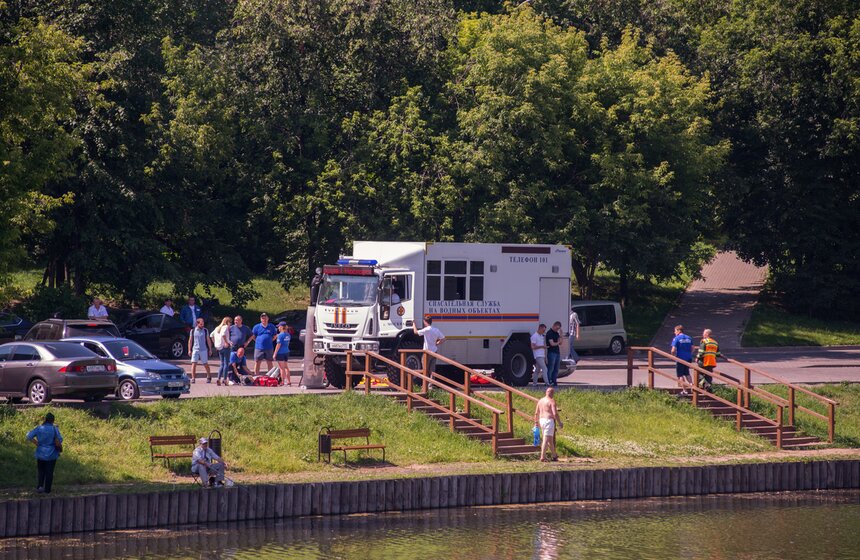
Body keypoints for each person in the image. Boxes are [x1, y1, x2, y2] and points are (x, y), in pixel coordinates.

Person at [26, 412, 63, 494]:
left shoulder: (39, 428)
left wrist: (36, 443)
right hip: (52, 454)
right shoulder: (54, 428)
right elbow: (60, 440)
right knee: (49, 472)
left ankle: (40, 487)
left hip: (40, 453)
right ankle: (47, 490)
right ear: (53, 420)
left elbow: (28, 436)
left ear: (45, 420)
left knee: (41, 471)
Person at [534, 387, 563, 462]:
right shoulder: (551, 401)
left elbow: (536, 413)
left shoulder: (540, 400)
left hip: (541, 420)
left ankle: (554, 455)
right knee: (546, 439)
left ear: (546, 392)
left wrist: (536, 422)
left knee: (550, 439)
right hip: (548, 420)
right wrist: (560, 423)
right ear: (552, 393)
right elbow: (555, 413)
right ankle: (542, 457)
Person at [670, 324, 694, 394]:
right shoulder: (689, 338)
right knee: (687, 372)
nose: (674, 333)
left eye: (675, 331)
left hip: (680, 358)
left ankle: (685, 390)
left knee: (680, 374)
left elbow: (673, 350)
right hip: (688, 358)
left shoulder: (676, 338)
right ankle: (692, 385)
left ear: (678, 330)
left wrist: (673, 356)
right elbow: (693, 348)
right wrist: (689, 353)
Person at [188, 317, 213, 383]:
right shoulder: (193, 331)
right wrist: (189, 350)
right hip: (195, 349)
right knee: (194, 363)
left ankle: (208, 376)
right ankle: (193, 378)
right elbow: (190, 340)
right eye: (201, 324)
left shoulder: (205, 330)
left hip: (203, 349)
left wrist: (210, 349)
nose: (202, 325)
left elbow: (208, 340)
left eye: (203, 324)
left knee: (205, 363)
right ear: (197, 324)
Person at [212, 317, 233, 386]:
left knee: (222, 364)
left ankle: (218, 378)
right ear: (227, 322)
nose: (230, 324)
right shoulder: (225, 327)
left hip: (219, 347)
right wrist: (227, 342)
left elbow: (211, 335)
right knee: (226, 364)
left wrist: (215, 343)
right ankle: (224, 379)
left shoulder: (217, 328)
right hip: (225, 347)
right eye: (230, 322)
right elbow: (223, 334)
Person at [274, 322, 292, 386]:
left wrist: (275, 353)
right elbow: (288, 343)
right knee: (286, 367)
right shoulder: (288, 334)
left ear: (281, 327)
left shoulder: (280, 335)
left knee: (282, 368)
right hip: (286, 351)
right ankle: (289, 381)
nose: (278, 328)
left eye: (279, 326)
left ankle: (282, 382)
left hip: (280, 353)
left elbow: (278, 345)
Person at [545, 321, 562, 387]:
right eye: (557, 328)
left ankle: (554, 381)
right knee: (551, 368)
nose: (557, 330)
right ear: (554, 325)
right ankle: (549, 381)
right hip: (551, 353)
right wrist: (558, 342)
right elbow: (552, 344)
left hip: (557, 352)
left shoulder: (556, 333)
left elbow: (560, 343)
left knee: (556, 368)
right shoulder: (549, 333)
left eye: (558, 329)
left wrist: (561, 335)